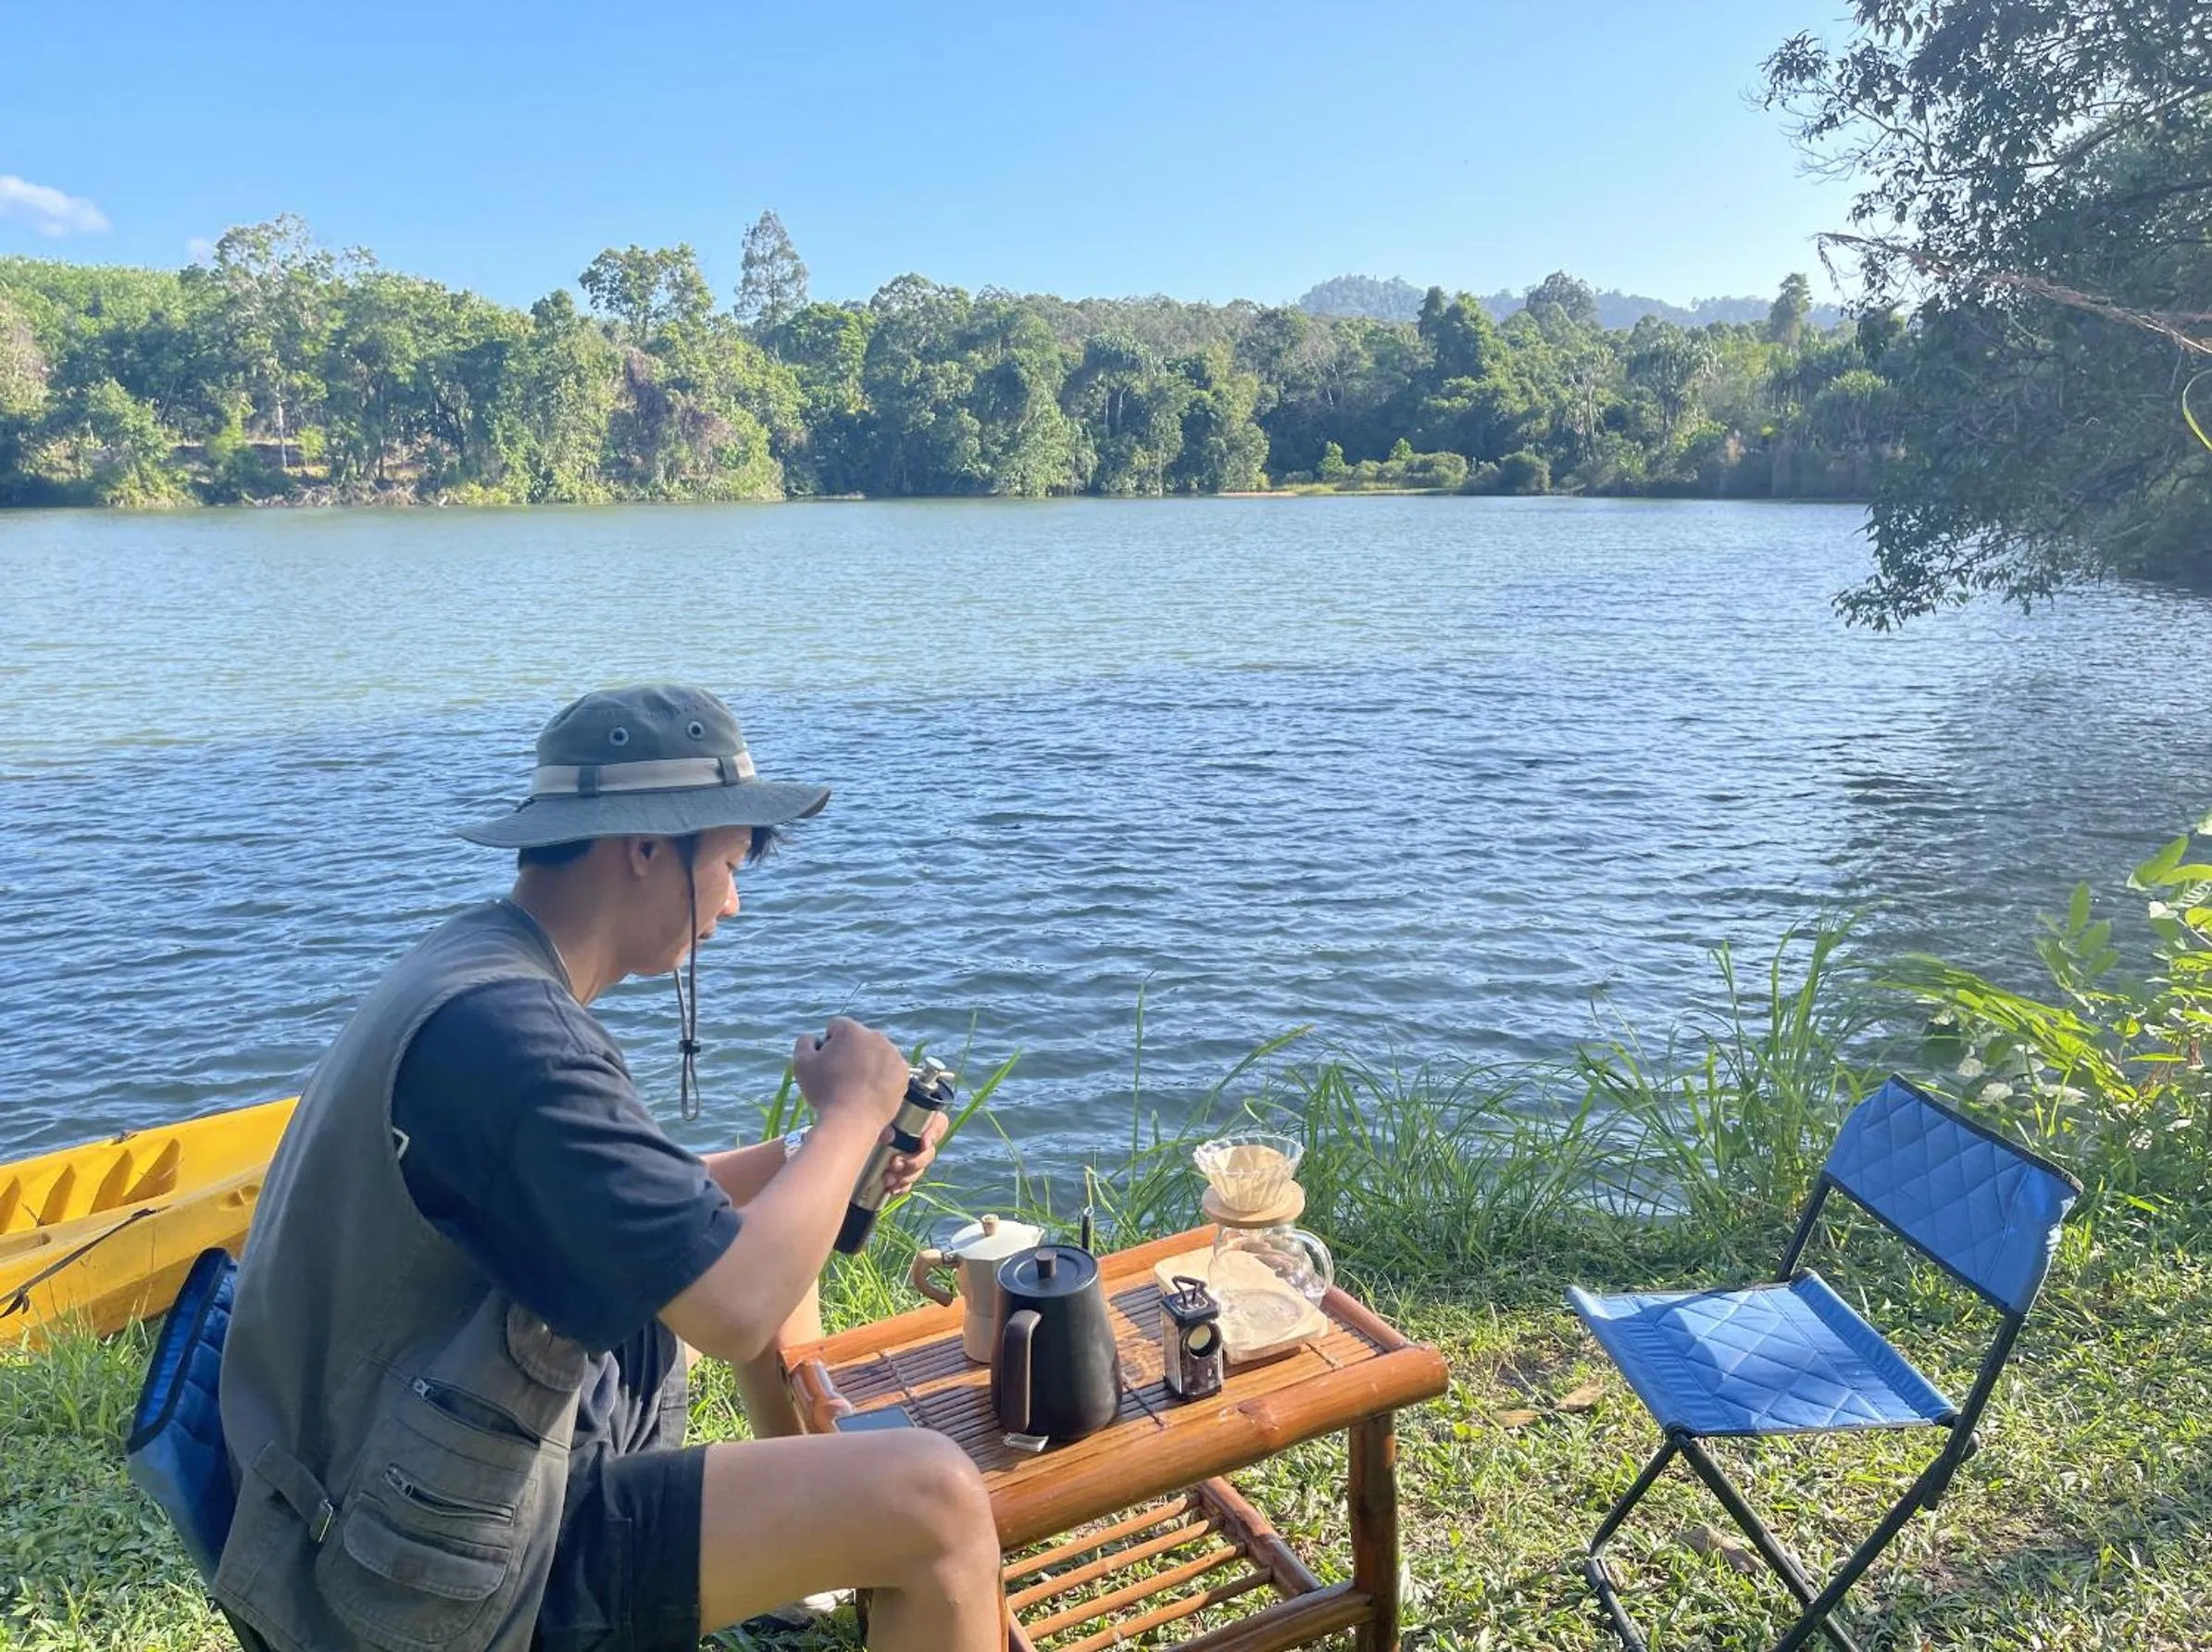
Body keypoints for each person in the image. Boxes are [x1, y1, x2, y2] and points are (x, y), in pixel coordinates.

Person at [211, 684, 1005, 1652]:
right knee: (937, 1500)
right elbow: (733, 1309)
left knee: (762, 1239)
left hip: (399, 1479)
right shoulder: (517, 1038)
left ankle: (815, 1547)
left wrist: (806, 1158)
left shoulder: (481, 970)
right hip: (414, 1568)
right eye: (730, 859)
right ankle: (866, 1536)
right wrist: (852, 1111)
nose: (734, 899)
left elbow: (653, 1214)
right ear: (643, 846)